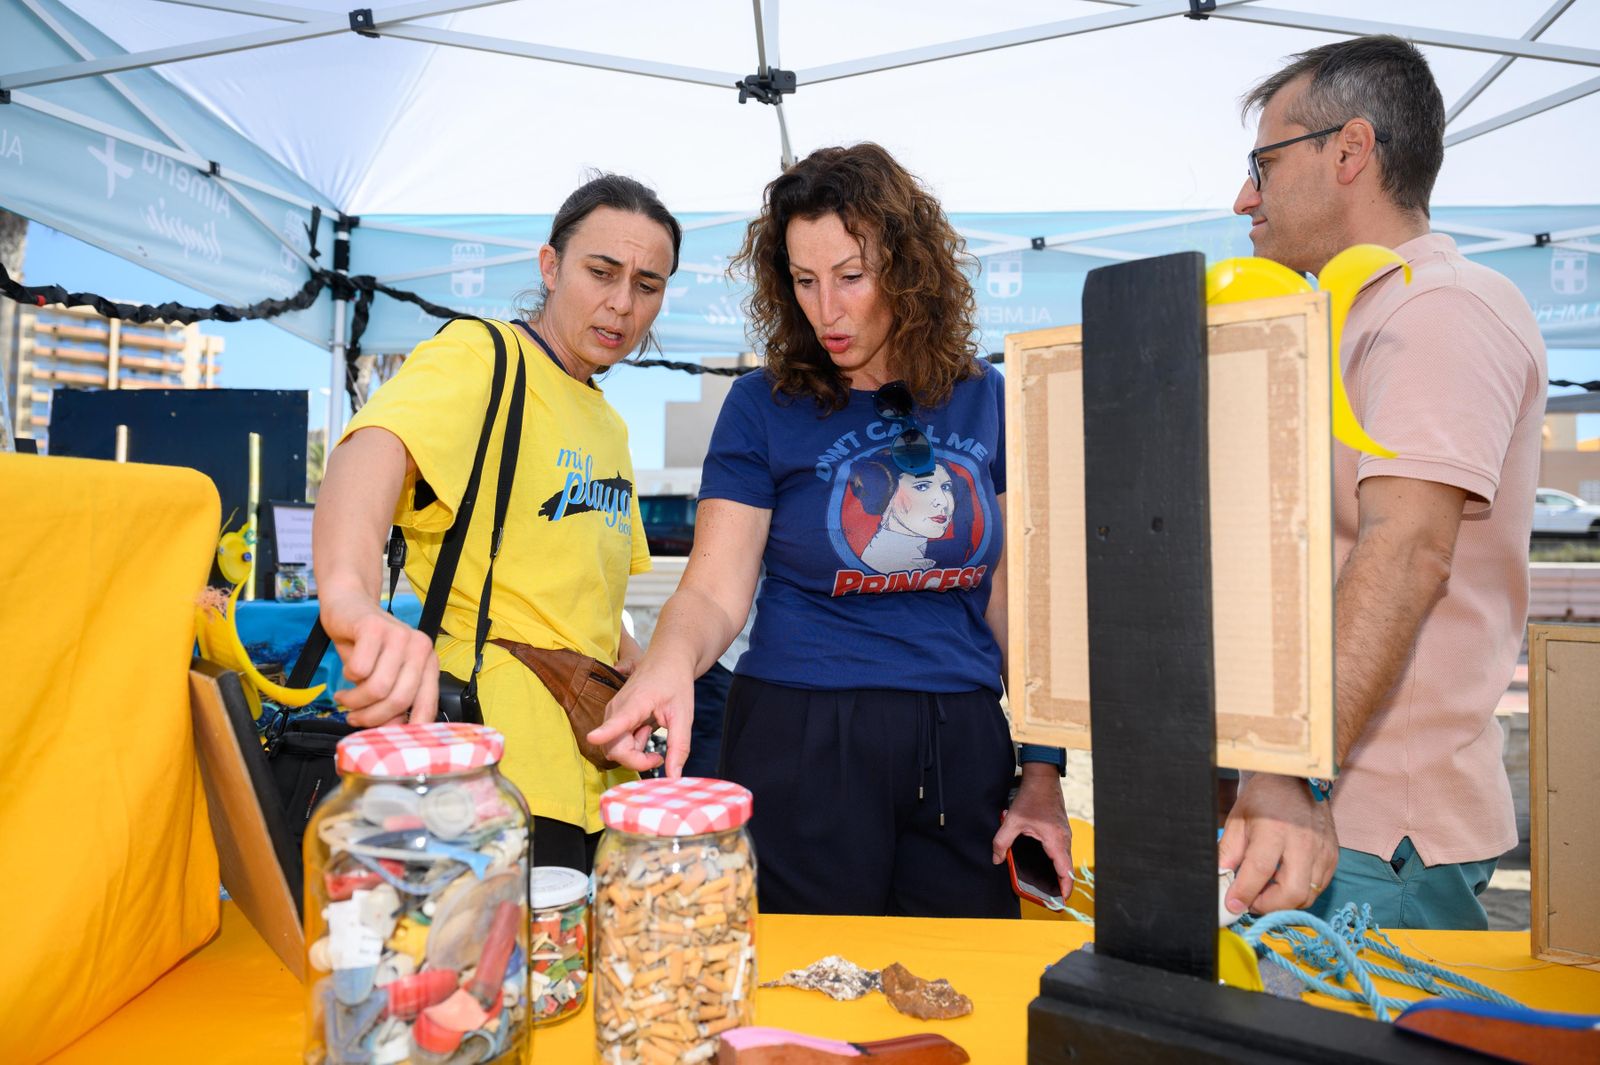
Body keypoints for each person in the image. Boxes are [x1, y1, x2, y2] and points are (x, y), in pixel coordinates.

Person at [589, 143, 1073, 918]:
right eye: (804, 281)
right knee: (810, 995)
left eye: (851, 276)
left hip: (961, 743)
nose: (826, 309)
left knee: (965, 993)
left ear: (910, 269)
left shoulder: (990, 399)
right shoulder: (762, 404)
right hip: (802, 736)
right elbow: (714, 590)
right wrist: (669, 665)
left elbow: (1014, 603)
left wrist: (1043, 767)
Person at [1220, 36, 1547, 929]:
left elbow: (1405, 551)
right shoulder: (1351, 321)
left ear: (1350, 150)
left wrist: (1295, 773)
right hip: (1318, 810)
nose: (1245, 196)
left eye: (1264, 162)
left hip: (1366, 831)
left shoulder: (1439, 312)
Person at [312, 174, 682, 872]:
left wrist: (655, 675)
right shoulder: (485, 355)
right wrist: (350, 597)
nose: (621, 304)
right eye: (601, 272)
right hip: (490, 762)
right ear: (550, 266)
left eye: (647, 284)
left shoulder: (609, 422)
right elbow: (370, 452)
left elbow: (594, 611)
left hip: (594, 771)